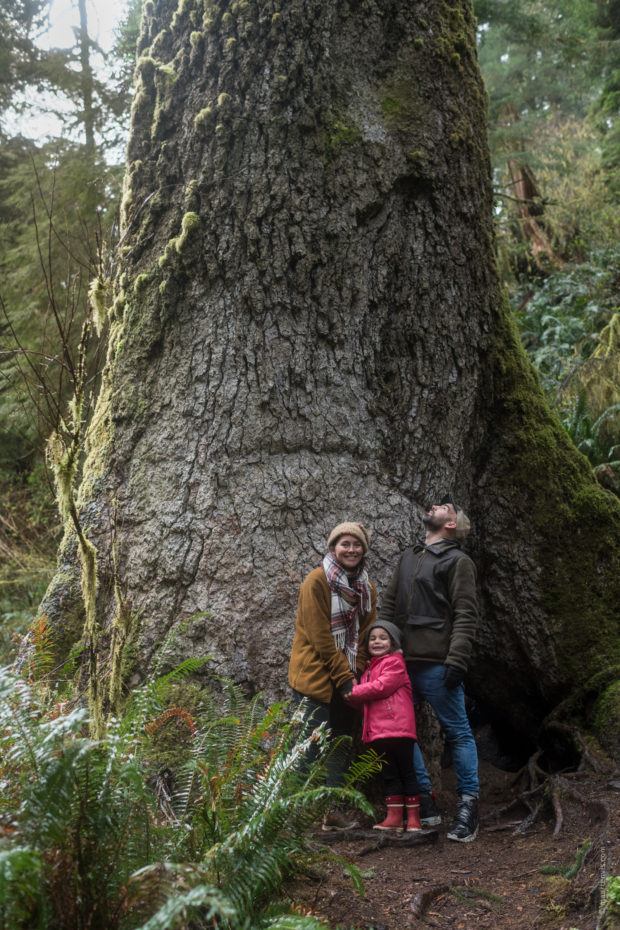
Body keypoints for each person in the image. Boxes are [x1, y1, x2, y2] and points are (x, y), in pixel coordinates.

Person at [379, 494, 480, 843]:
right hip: (400, 666)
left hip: (438, 664)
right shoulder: (409, 557)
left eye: (445, 508)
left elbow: (466, 614)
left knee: (459, 732)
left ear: (450, 524)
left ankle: (469, 805)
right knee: (401, 733)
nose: (436, 506)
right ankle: (424, 799)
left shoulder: (458, 561)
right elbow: (389, 605)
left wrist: (457, 660)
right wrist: (382, 653)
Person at [288, 521, 377, 832]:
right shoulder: (316, 582)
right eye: (345, 544)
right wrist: (345, 678)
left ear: (364, 549)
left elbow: (366, 634)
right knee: (309, 748)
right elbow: (321, 638)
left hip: (348, 681)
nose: (351, 549)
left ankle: (333, 812)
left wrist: (358, 672)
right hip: (315, 679)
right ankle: (287, 819)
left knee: (340, 744)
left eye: (356, 544)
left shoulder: (366, 588)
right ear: (333, 548)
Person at [344, 620, 422, 833]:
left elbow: (381, 687)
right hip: (380, 732)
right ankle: (394, 818)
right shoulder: (369, 669)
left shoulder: (395, 663)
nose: (377, 641)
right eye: (372, 638)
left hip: (399, 729)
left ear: (393, 642)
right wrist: (351, 694)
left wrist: (354, 692)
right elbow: (362, 695)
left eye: (383, 638)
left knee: (407, 771)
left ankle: (414, 818)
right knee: (389, 774)